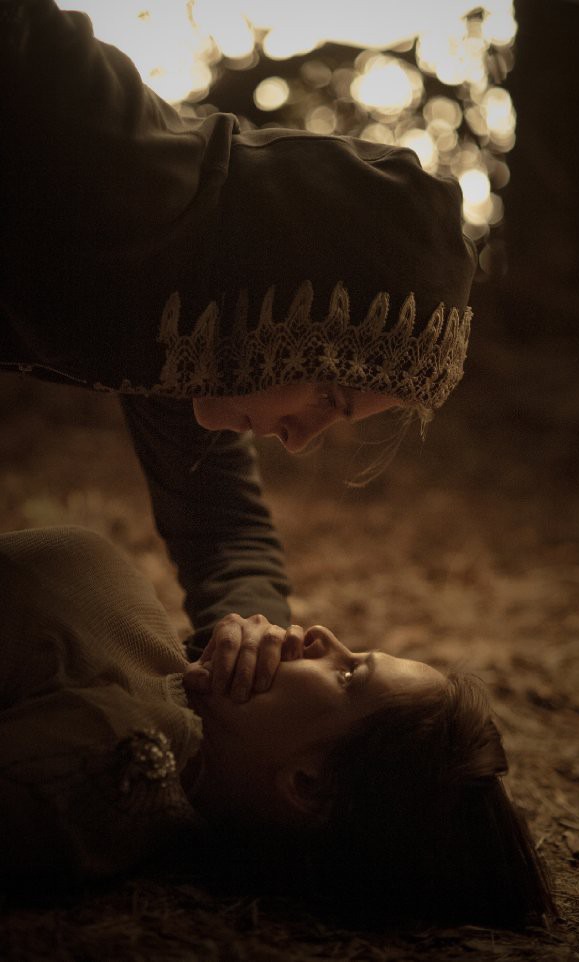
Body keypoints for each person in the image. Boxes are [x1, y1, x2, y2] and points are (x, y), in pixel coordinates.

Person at [1, 0, 476, 656]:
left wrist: (251, 629)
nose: (300, 440)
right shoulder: (95, 131)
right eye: (329, 395)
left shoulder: (196, 331)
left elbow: (223, 526)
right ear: (293, 309)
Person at [0, 526, 555, 931]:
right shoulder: (170, 688)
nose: (320, 635)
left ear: (307, 785)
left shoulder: (110, 761)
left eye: (348, 675)